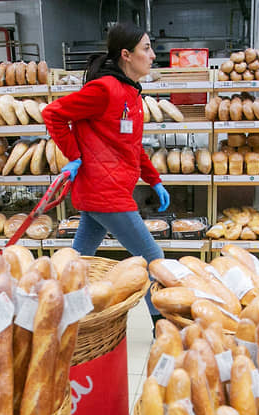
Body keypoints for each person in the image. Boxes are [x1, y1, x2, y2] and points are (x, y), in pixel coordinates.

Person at [42, 22, 169, 326]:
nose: (152, 55)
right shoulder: (103, 90)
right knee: (154, 258)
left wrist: (154, 179)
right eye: (146, 48)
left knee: (77, 260)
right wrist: (74, 156)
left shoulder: (131, 95)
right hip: (104, 193)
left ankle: (55, 314)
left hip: (106, 192)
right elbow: (53, 114)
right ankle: (162, 327)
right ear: (126, 54)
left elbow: (132, 146)